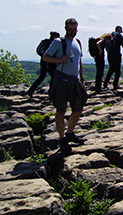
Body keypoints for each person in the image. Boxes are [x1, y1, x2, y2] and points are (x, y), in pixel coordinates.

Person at [42, 18, 87, 155]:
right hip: (61, 79)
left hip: (75, 80)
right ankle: (62, 139)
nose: (73, 32)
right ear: (65, 28)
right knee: (61, 110)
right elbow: (45, 57)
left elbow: (79, 61)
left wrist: (82, 78)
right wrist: (59, 60)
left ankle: (70, 133)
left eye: (75, 30)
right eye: (70, 29)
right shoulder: (58, 42)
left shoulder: (77, 43)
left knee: (78, 108)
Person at [26, 31, 60, 98]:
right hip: (50, 62)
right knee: (53, 76)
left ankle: (31, 90)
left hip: (43, 61)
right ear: (54, 37)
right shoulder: (52, 43)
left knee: (42, 76)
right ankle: (51, 93)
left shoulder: (46, 42)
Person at [104, 25, 123, 90]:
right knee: (118, 71)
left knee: (111, 69)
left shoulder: (110, 35)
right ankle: (115, 85)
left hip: (110, 54)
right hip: (116, 54)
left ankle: (105, 83)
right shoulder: (119, 36)